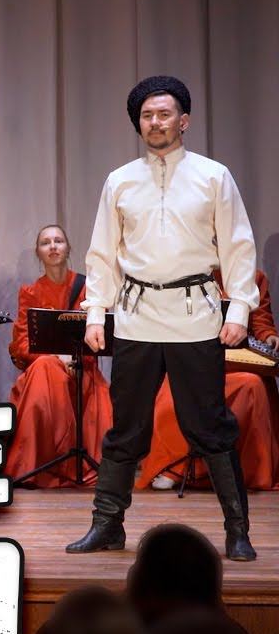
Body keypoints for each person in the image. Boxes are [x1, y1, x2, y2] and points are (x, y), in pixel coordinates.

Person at [68, 76, 259, 561]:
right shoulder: (120, 180)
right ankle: (107, 526)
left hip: (195, 316)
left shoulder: (213, 176)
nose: (156, 122)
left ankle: (238, 531)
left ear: (183, 120)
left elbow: (237, 245)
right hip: (136, 317)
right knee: (127, 427)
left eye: (164, 114)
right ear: (139, 124)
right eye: (147, 116)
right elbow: (102, 253)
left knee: (209, 425)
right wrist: (95, 313)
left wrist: (239, 307)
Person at [140, 268, 279, 490]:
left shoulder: (253, 276)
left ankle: (244, 472)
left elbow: (261, 321)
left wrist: (269, 336)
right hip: (193, 358)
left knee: (253, 385)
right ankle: (175, 469)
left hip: (238, 363)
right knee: (172, 393)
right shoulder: (187, 269)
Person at [5, 225, 113, 487]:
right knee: (45, 367)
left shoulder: (88, 289)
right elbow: (22, 344)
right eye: (46, 242)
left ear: (68, 248)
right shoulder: (30, 292)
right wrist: (58, 359)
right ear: (38, 252)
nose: (53, 246)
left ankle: (44, 463)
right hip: (44, 371)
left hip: (82, 370)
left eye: (58, 241)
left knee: (51, 369)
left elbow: (101, 337)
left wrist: (75, 360)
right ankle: (45, 463)